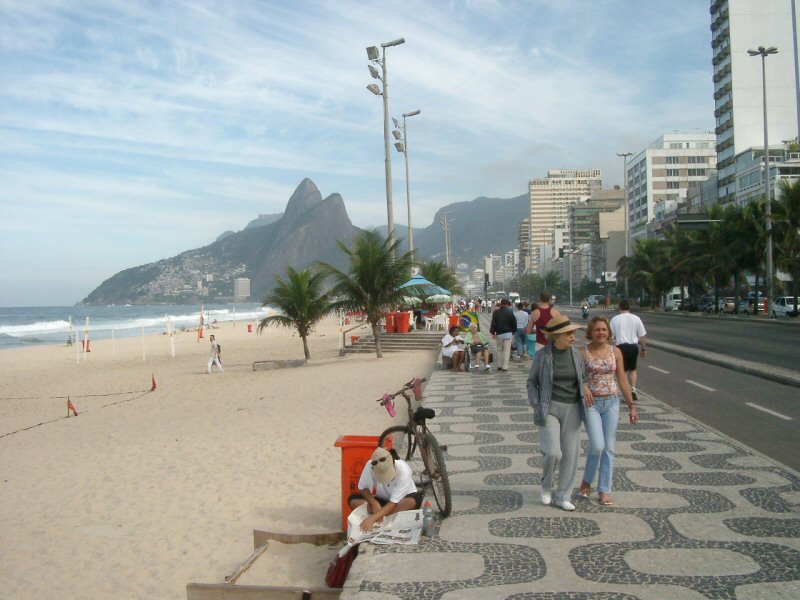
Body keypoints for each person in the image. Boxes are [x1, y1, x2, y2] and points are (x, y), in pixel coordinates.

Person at [527, 315, 590, 511]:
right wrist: (536, 403)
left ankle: (563, 495)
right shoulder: (542, 355)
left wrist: (585, 387)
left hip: (573, 408)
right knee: (553, 452)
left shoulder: (577, 355)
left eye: (573, 333)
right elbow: (531, 382)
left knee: (571, 455)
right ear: (555, 336)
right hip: (549, 407)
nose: (572, 337)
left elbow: (583, 378)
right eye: (567, 333)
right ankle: (546, 485)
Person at [578, 316, 638, 506]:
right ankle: (587, 480)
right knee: (597, 445)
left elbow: (622, 379)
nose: (601, 333)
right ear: (590, 332)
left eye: (604, 329)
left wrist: (631, 405)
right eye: (597, 330)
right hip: (591, 403)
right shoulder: (582, 352)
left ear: (609, 332)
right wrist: (584, 387)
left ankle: (604, 490)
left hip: (612, 402)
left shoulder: (616, 351)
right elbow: (577, 378)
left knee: (609, 447)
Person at [348, 447, 423, 532]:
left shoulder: (404, 469)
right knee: (353, 500)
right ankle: (384, 515)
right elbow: (363, 487)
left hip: (399, 502)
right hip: (382, 501)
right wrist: (373, 503)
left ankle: (380, 515)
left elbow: (394, 502)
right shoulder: (370, 464)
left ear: (393, 463)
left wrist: (374, 517)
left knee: (412, 501)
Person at [609, 299, 647, 402]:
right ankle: (633, 388)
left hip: (620, 348)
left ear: (619, 307)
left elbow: (610, 337)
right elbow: (642, 336)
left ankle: (626, 392)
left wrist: (609, 349)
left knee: (622, 371)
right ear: (629, 307)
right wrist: (643, 349)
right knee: (633, 369)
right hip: (633, 347)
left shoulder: (615, 319)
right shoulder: (636, 318)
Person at [489, 298, 517, 372]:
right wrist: (514, 331)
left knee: (499, 349)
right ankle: (505, 366)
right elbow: (514, 322)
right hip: (508, 333)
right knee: (507, 350)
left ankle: (499, 365)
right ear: (507, 304)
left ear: (501, 303)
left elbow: (493, 323)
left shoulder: (496, 312)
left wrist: (492, 332)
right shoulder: (510, 312)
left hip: (499, 334)